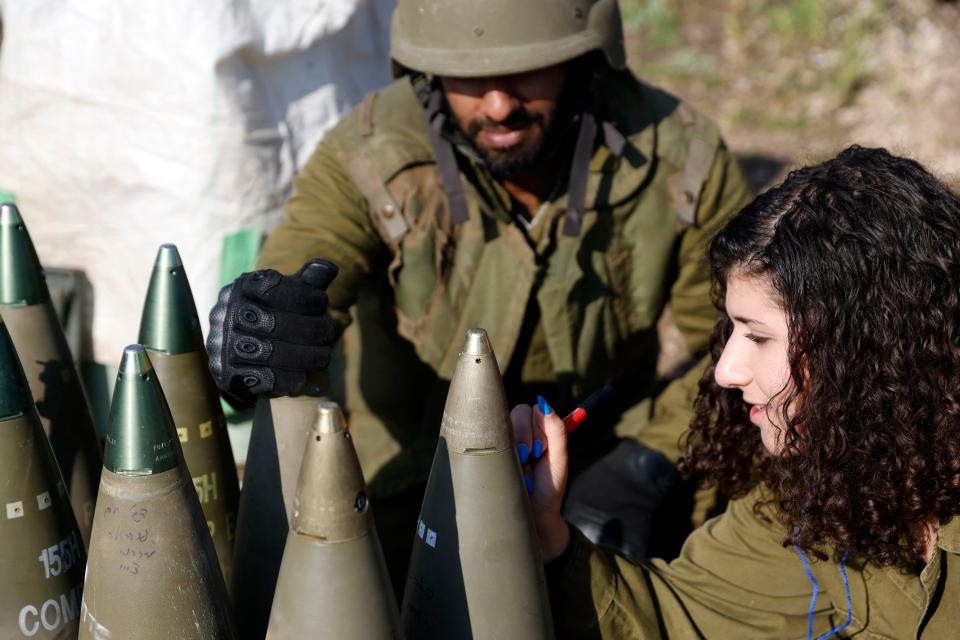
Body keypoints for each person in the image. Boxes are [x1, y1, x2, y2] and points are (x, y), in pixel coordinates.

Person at [207, 0, 752, 582]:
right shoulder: (365, 152)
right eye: (468, 76)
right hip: (412, 472)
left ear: (586, 58)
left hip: (601, 456)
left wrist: (650, 461)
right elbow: (311, 255)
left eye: (526, 70)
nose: (498, 106)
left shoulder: (681, 156)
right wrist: (268, 321)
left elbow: (734, 346)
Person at [515, 145, 960, 638]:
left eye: (759, 336)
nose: (726, 371)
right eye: (732, 329)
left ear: (867, 345)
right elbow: (683, 613)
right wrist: (546, 535)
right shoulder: (819, 481)